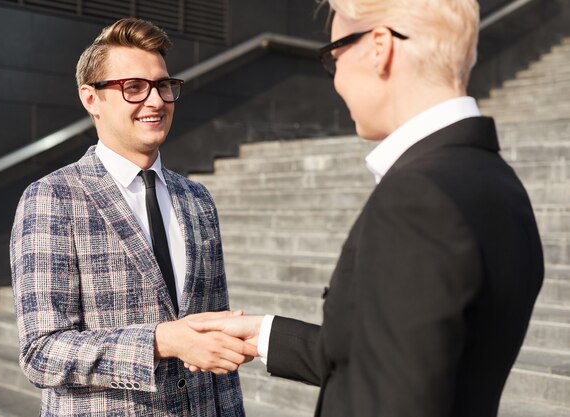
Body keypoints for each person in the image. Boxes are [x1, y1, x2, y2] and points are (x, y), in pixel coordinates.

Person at [189, 0, 544, 416]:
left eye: (334, 56)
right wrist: (263, 333)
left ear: (379, 47)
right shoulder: (494, 179)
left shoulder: (418, 199)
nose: (335, 78)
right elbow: (399, 355)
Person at [9, 17, 255, 417]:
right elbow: (42, 352)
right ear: (91, 99)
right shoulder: (52, 197)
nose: (156, 100)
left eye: (162, 85)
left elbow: (215, 339)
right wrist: (161, 341)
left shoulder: (197, 199)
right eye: (134, 88)